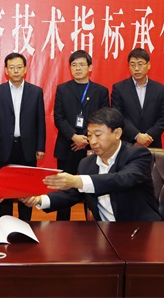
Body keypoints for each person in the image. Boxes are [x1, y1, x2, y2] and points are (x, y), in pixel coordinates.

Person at [20, 107, 162, 222]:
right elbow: (73, 194)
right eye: (89, 135)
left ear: (117, 133)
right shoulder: (86, 164)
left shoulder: (138, 155)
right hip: (105, 233)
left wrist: (76, 180)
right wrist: (40, 200)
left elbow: (122, 179)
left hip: (142, 230)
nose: (92, 141)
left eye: (98, 135)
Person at [0, 52, 46, 222]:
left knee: (26, 190)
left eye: (19, 67)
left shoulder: (36, 92)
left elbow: (40, 121)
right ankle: (5, 222)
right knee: (4, 190)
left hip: (27, 147)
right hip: (4, 147)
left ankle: (25, 223)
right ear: (6, 70)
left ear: (25, 69)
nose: (16, 71)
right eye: (12, 67)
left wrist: (40, 147)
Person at [52, 50, 110, 220]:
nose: (77, 68)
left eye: (81, 65)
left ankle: (94, 225)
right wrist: (74, 136)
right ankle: (61, 225)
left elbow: (103, 119)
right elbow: (59, 118)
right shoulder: (62, 89)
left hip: (92, 148)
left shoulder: (101, 91)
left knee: (91, 188)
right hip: (67, 146)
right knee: (64, 188)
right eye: (74, 65)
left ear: (90, 67)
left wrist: (86, 139)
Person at [111, 47, 164, 148]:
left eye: (140, 64)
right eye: (132, 64)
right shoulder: (119, 88)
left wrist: (147, 137)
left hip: (152, 143)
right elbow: (118, 115)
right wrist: (137, 136)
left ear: (148, 65)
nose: (136, 68)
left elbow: (163, 117)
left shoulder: (160, 89)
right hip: (128, 144)